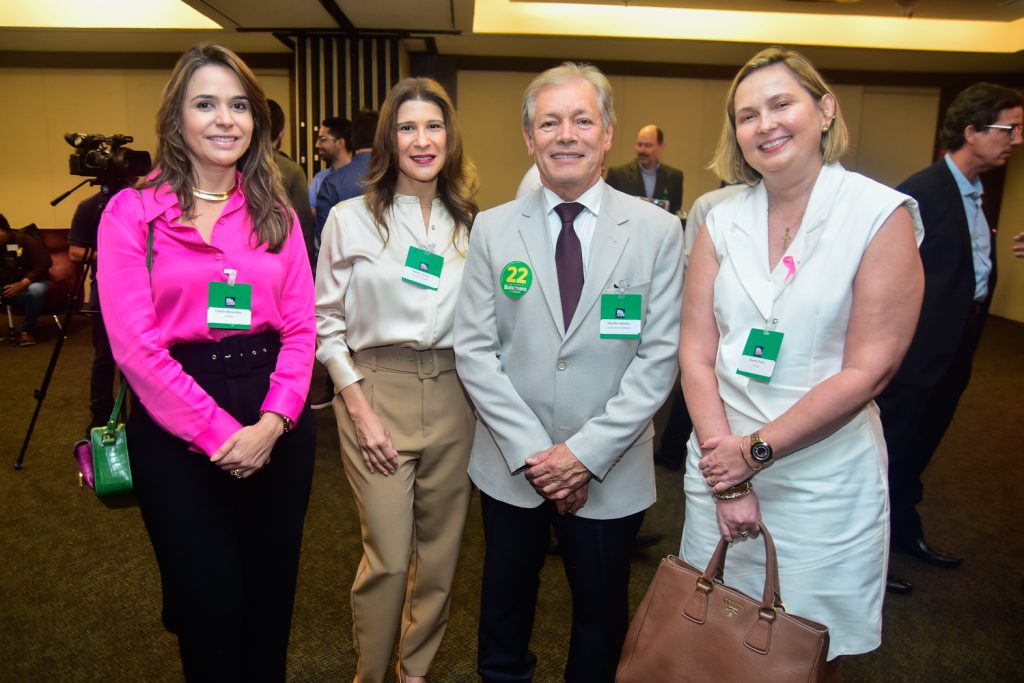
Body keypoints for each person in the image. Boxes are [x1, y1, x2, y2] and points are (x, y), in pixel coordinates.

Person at [678, 46, 924, 678]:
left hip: (822, 476)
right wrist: (726, 471)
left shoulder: (878, 215)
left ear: (825, 109)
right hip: (717, 463)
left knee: (804, 651)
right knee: (711, 636)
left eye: (781, 103)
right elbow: (697, 353)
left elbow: (870, 369)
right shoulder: (719, 219)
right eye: (747, 114)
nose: (766, 124)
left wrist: (754, 452)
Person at [454, 62, 683, 682]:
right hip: (511, 465)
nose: (566, 134)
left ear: (608, 132)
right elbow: (474, 350)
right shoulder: (494, 228)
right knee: (504, 609)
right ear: (529, 139)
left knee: (601, 617)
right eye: (549, 122)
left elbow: (658, 357)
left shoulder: (659, 232)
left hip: (610, 467)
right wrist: (538, 454)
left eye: (582, 119)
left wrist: (583, 455)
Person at [97, 42, 316, 681]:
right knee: (209, 608)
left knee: (269, 605)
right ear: (177, 120)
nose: (225, 119)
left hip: (276, 410)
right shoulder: (132, 213)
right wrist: (223, 435)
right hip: (177, 421)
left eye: (239, 104)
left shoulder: (276, 212)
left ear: (257, 121)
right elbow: (135, 348)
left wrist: (273, 423)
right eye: (206, 104)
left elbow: (303, 329)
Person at [316, 77, 478, 683]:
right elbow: (323, 321)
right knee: (388, 555)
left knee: (439, 557)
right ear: (389, 138)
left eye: (433, 126)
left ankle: (416, 673)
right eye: (407, 127)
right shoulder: (349, 218)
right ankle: (371, 672)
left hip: (456, 394)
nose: (421, 139)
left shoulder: (472, 224)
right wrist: (356, 405)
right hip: (375, 390)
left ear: (449, 136)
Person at [877, 83, 1023, 571]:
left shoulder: (976, 194)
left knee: (922, 446)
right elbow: (883, 278)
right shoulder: (921, 192)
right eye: (1009, 128)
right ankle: (870, 555)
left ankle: (904, 530)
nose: (1016, 139)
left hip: (958, 345)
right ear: (972, 130)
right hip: (915, 353)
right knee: (892, 450)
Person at [69, 185, 130, 427]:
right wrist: (116, 253)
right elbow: (75, 252)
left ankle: (143, 416)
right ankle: (101, 415)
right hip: (105, 291)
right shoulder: (89, 207)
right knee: (104, 356)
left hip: (146, 290)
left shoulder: (141, 201)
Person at [314, 109, 379, 241]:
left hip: (347, 258)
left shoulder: (331, 181)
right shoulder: (400, 176)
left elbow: (325, 236)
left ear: (352, 139)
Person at [268, 98, 316, 270]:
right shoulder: (292, 171)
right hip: (279, 264)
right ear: (281, 133)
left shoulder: (229, 166)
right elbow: (304, 233)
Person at [605, 124, 684, 214]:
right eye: (639, 144)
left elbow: (675, 213)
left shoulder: (675, 177)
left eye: (648, 145)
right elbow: (609, 209)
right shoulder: (617, 175)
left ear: (661, 147)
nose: (642, 150)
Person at [0, 214, 51, 346]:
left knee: (36, 290)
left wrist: (22, 284)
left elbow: (43, 265)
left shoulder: (25, 239)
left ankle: (26, 331)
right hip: (6, 286)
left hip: (30, 284)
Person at [309, 116, 352, 212]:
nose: (317, 145)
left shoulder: (359, 177)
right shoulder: (319, 179)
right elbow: (309, 212)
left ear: (340, 143)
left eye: (322, 139)